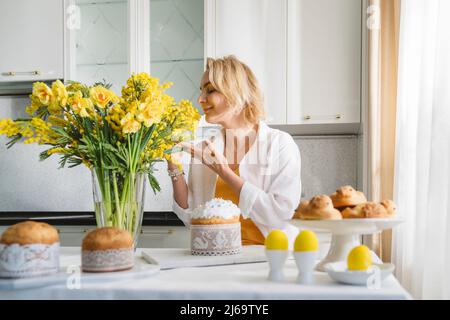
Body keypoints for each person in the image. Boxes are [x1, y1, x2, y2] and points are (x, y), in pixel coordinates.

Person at [167, 55, 301, 245]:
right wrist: (173, 166)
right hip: (216, 257)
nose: (200, 99)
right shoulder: (206, 149)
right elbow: (192, 217)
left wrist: (224, 171)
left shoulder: (279, 144)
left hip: (270, 258)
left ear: (236, 92)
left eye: (210, 90)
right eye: (201, 91)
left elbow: (280, 216)